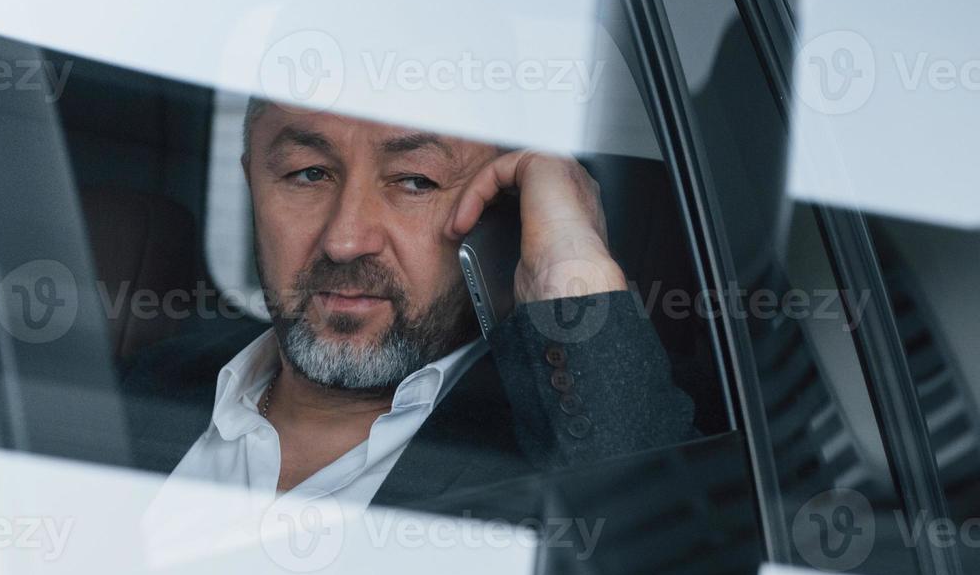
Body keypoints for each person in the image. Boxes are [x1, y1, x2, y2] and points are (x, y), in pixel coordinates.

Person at [121, 100, 694, 512]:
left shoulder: (568, 447)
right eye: (308, 174)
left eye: (415, 182)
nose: (345, 240)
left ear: (506, 210)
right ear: (252, 182)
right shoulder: (128, 392)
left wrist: (569, 268)